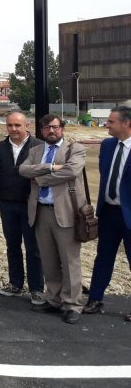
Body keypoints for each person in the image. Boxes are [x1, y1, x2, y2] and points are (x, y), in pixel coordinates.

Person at [19, 113, 87, 324]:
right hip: (41, 212)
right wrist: (49, 167)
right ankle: (55, 299)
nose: (52, 131)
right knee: (49, 261)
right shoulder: (35, 150)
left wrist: (40, 178)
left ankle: (72, 304)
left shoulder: (75, 149)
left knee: (70, 262)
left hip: (67, 213)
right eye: (47, 128)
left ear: (62, 129)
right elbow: (23, 169)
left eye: (55, 127)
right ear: (41, 131)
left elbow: (71, 171)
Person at [0, 112, 45, 303]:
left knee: (33, 248)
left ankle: (37, 288)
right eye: (10, 125)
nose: (13, 129)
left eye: (17, 125)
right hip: (7, 203)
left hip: (30, 204)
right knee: (12, 246)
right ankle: (15, 283)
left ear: (27, 126)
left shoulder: (39, 146)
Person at [84, 106, 131, 318]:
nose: (107, 125)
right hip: (109, 213)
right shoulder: (108, 145)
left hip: (129, 214)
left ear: (126, 124)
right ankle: (95, 299)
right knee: (103, 257)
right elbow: (104, 176)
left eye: (111, 122)